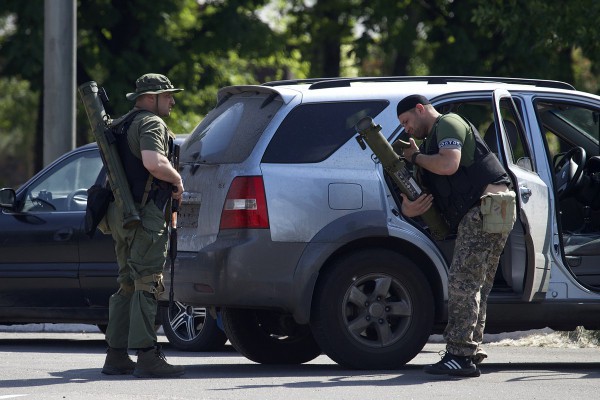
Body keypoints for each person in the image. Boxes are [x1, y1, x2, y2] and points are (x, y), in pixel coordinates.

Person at [397, 94, 516, 377]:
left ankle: (460, 356)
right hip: (492, 208)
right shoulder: (429, 143)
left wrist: (414, 156)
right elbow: (432, 186)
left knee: (463, 281)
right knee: (477, 284)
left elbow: (449, 164)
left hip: (484, 207)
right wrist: (409, 207)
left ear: (420, 109)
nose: (406, 129)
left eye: (406, 121)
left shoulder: (448, 123)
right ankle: (470, 349)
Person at [101, 73, 185, 378]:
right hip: (145, 215)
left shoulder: (121, 124)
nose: (172, 101)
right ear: (150, 98)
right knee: (147, 282)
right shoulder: (151, 123)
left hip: (121, 214)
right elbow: (153, 162)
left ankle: (116, 355)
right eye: (168, 96)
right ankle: (148, 356)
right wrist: (177, 181)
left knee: (127, 282)